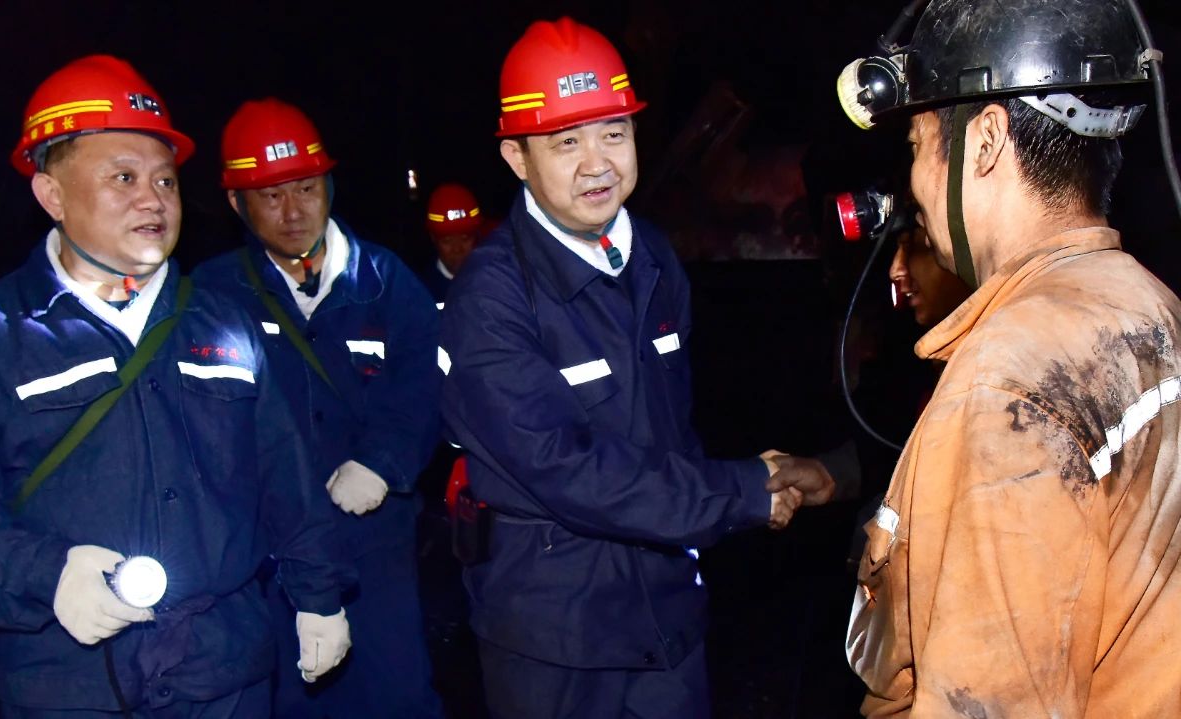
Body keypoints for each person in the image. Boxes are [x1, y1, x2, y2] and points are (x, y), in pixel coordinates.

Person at [0, 55, 353, 717]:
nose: (153, 199)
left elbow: (284, 472)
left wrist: (320, 596)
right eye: (123, 177)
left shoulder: (226, 325)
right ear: (52, 195)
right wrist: (46, 573)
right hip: (71, 684)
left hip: (224, 674)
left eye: (165, 179)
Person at [438, 17, 834, 718]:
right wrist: (745, 490)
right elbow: (568, 468)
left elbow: (672, 430)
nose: (598, 164)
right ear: (516, 157)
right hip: (557, 639)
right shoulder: (490, 299)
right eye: (566, 142)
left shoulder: (652, 254)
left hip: (667, 615)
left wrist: (736, 494)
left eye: (614, 133)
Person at [838, 1, 1181, 715]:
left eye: (916, 145)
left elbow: (988, 700)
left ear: (986, 140)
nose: (914, 186)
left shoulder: (1011, 385)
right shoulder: (1152, 305)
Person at [192, 98, 444, 719]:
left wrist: (383, 462)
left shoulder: (384, 280)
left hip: (374, 540)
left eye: (306, 188)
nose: (294, 211)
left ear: (328, 185)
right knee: (291, 697)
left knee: (395, 695)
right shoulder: (213, 294)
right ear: (237, 204)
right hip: (270, 550)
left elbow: (427, 379)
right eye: (271, 195)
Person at [421, 182, 482, 305]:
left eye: (465, 238)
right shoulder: (421, 292)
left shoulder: (493, 280)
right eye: (447, 241)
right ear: (434, 239)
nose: (457, 249)